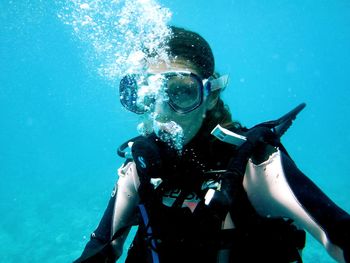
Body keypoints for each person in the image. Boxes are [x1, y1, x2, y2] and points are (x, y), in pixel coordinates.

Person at [74, 26, 350, 263]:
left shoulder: (257, 168)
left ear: (211, 95)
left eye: (183, 91)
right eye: (151, 94)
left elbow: (339, 234)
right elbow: (99, 250)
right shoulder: (140, 169)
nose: (163, 111)